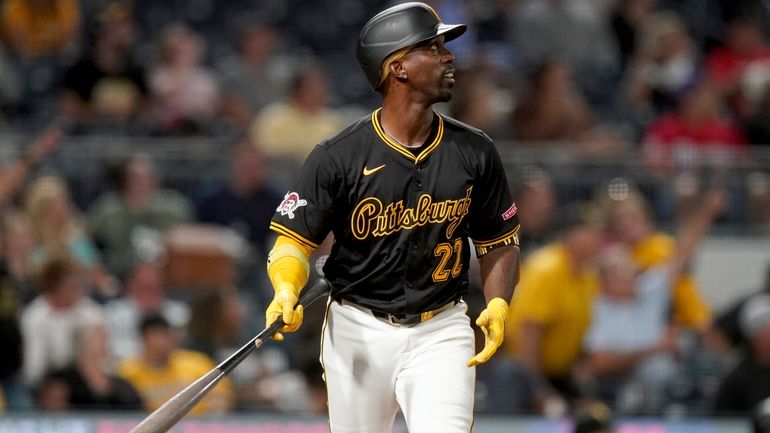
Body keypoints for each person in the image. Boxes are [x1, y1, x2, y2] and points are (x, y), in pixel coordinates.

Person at [263, 3, 520, 432]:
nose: (449, 55)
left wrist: (497, 301)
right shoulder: (338, 155)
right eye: (433, 47)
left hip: (441, 328)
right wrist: (286, 287)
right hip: (357, 329)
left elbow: (499, 240)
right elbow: (293, 240)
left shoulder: (475, 150)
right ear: (397, 66)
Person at [581, 189, 725, 414]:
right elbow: (599, 362)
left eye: (631, 267)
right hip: (623, 390)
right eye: (622, 270)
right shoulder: (599, 308)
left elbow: (682, 254)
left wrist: (706, 212)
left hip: (672, 381)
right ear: (606, 282)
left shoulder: (647, 290)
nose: (632, 272)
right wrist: (654, 349)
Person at [504, 203, 603, 414]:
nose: (597, 238)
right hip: (524, 373)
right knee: (553, 413)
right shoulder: (547, 269)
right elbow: (528, 335)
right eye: (590, 232)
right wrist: (541, 392)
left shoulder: (587, 275)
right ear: (573, 236)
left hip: (561, 372)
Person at [117, 313, 233, 415]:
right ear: (144, 339)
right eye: (158, 335)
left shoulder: (196, 363)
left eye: (167, 334)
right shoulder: (127, 372)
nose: (166, 340)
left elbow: (223, 397)